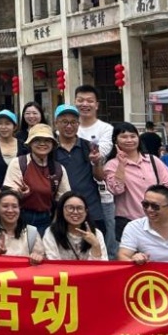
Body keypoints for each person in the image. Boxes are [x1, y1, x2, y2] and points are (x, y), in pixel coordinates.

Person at [105, 121, 168, 241]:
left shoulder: (153, 161)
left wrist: (164, 208)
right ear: (115, 140)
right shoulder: (112, 165)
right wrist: (121, 164)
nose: (129, 140)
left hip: (157, 219)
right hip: (128, 222)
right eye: (124, 137)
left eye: (133, 136)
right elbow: (116, 190)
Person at [1, 123, 70, 235]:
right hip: (19, 218)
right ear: (30, 143)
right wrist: (19, 193)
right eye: (37, 140)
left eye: (47, 140)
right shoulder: (19, 163)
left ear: (52, 144)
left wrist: (54, 225)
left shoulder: (59, 169)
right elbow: (8, 193)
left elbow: (63, 200)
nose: (42, 144)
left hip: (46, 219)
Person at [74, 84, 116, 258]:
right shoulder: (69, 127)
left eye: (90, 101)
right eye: (80, 100)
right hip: (74, 191)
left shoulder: (106, 129)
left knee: (105, 237)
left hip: (100, 194)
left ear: (97, 105)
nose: (85, 104)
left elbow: (101, 153)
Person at [53, 104, 106, 238]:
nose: (69, 126)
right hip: (61, 210)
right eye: (64, 122)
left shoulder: (89, 146)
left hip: (90, 208)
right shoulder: (51, 148)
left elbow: (100, 177)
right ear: (56, 123)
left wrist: (97, 163)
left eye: (73, 122)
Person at [41, 192, 106, 261]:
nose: (75, 212)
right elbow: (52, 262)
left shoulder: (96, 234)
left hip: (89, 269)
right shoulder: (51, 232)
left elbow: (102, 265)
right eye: (70, 208)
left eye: (80, 208)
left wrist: (95, 245)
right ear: (61, 210)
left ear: (86, 212)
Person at [0, 190, 44, 264]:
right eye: (5, 206)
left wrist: (37, 257)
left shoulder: (31, 232)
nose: (10, 210)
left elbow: (42, 261)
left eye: (14, 206)